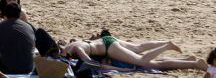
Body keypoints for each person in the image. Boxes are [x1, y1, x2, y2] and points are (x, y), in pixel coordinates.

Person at [65, 37, 206, 71]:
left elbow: (93, 64)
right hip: (106, 40)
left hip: (109, 48)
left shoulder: (77, 50)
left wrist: (121, 70)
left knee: (142, 61)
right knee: (139, 47)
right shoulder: (70, 45)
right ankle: (187, 59)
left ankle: (166, 45)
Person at [0, 3, 35, 74]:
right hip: (28, 68)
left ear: (5, 14)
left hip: (7, 70)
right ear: (19, 14)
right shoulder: (29, 27)